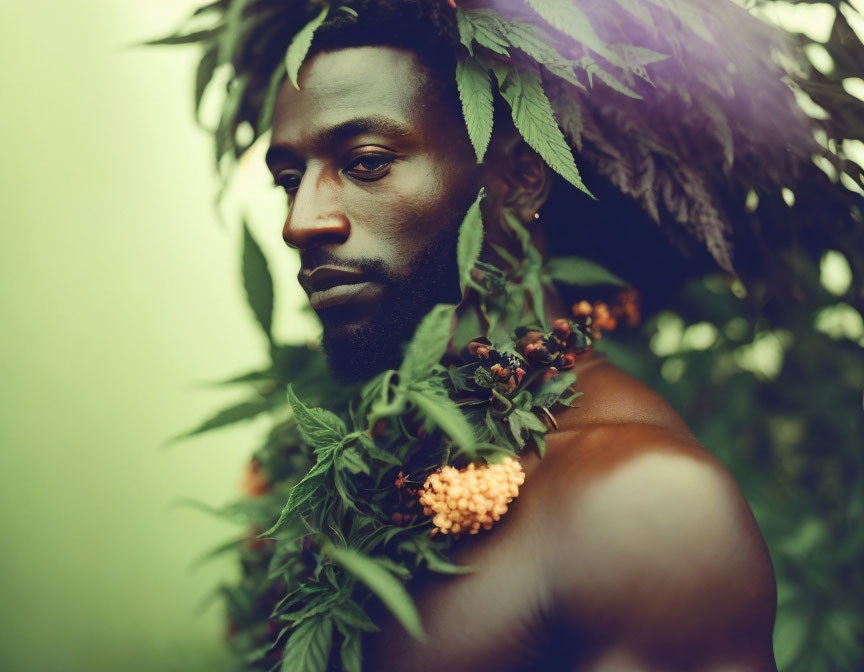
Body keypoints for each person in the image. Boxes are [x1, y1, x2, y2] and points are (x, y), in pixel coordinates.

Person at [154, 1, 861, 670]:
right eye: (288, 177)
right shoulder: (351, 461)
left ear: (522, 176)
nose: (300, 221)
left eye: (366, 163)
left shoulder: (647, 504)